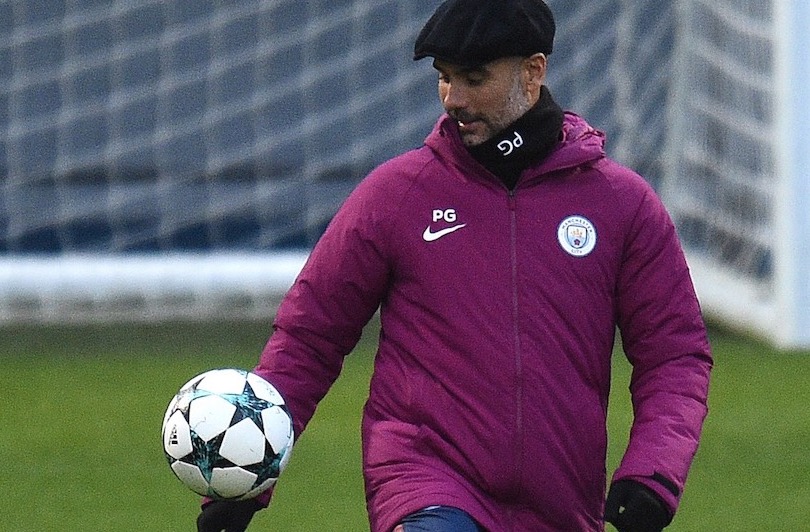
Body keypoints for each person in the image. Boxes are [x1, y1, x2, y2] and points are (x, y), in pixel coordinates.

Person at [197, 0, 713, 530]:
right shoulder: (398, 194)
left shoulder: (621, 204)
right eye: (444, 79)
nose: (453, 99)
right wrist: (250, 465)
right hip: (425, 485)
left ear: (533, 73)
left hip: (562, 502)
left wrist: (654, 470)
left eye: (473, 78)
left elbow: (674, 354)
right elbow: (311, 335)